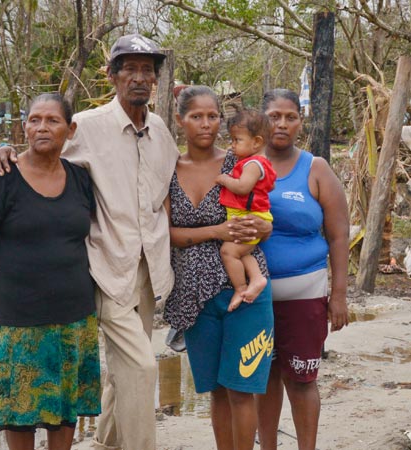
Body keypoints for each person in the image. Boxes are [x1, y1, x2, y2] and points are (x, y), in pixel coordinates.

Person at [0, 34, 179, 450]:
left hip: (149, 272)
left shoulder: (161, 131)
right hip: (106, 268)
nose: (140, 78)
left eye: (148, 70)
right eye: (130, 69)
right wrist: (4, 151)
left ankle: (105, 443)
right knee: (143, 368)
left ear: (157, 80)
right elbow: (41, 149)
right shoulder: (87, 126)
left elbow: (166, 191)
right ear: (112, 76)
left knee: (125, 370)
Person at [0, 93, 100, 450]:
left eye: (52, 120)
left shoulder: (80, 178)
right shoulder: (2, 177)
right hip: (19, 320)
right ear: (24, 127)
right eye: (34, 120)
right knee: (18, 412)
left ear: (70, 130)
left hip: (75, 318)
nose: (42, 127)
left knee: (66, 408)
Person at [163, 85, 274, 450]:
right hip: (193, 296)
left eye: (213, 116)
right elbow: (165, 233)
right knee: (215, 391)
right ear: (181, 121)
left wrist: (265, 226)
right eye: (196, 116)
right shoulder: (167, 169)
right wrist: (215, 231)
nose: (206, 124)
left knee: (241, 390)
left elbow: (263, 216)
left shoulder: (239, 163)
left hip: (242, 290)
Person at [255, 89, 350, 450]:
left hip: (305, 294)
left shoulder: (316, 168)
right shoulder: (244, 164)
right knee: (263, 378)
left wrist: (338, 295)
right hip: (255, 297)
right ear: (261, 118)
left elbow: (339, 235)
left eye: (290, 117)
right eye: (274, 115)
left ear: (300, 121)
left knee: (302, 379)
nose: (282, 124)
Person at [216, 107, 276, 311]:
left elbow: (242, 188)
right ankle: (257, 278)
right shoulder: (261, 163)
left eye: (237, 140)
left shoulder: (252, 164)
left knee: (228, 252)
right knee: (242, 252)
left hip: (249, 218)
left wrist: (225, 179)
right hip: (250, 215)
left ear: (257, 142)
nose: (232, 146)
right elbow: (269, 186)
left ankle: (241, 287)